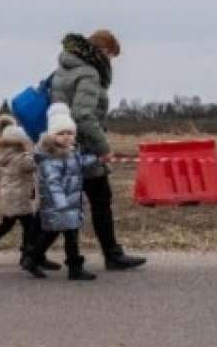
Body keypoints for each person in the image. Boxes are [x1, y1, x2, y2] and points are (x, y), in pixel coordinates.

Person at [50, 30, 146, 270]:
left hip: (63, 144)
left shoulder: (64, 68)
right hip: (83, 148)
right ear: (103, 51)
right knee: (100, 199)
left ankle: (31, 251)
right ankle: (112, 255)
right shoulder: (89, 73)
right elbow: (83, 115)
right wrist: (103, 147)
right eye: (112, 56)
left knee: (59, 201)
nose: (111, 61)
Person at [21, 104, 96, 280]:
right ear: (52, 135)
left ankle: (35, 259)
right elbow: (52, 183)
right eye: (61, 133)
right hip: (59, 205)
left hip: (70, 204)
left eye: (69, 133)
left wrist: (94, 160)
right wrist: (61, 203)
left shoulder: (71, 152)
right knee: (57, 234)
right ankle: (71, 267)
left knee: (61, 234)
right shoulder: (51, 157)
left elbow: (79, 164)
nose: (66, 137)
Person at [0, 114, 44, 265]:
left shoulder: (7, 155)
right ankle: (25, 254)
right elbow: (33, 164)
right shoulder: (22, 157)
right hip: (20, 197)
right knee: (29, 226)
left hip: (11, 195)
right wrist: (32, 150)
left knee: (8, 224)